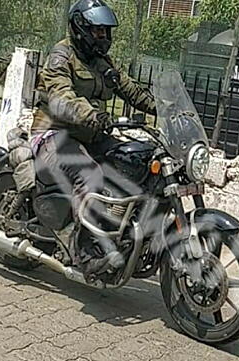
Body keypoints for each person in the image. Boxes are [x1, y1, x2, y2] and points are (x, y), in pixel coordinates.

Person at [30, 0, 156, 278]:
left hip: (90, 135)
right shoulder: (62, 56)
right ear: (80, 28)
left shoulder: (101, 62)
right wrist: (93, 115)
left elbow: (130, 89)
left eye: (107, 32)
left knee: (134, 161)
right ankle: (85, 254)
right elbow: (62, 96)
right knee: (90, 176)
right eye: (98, 31)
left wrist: (164, 108)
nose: (104, 38)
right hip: (54, 134)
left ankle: (122, 234)